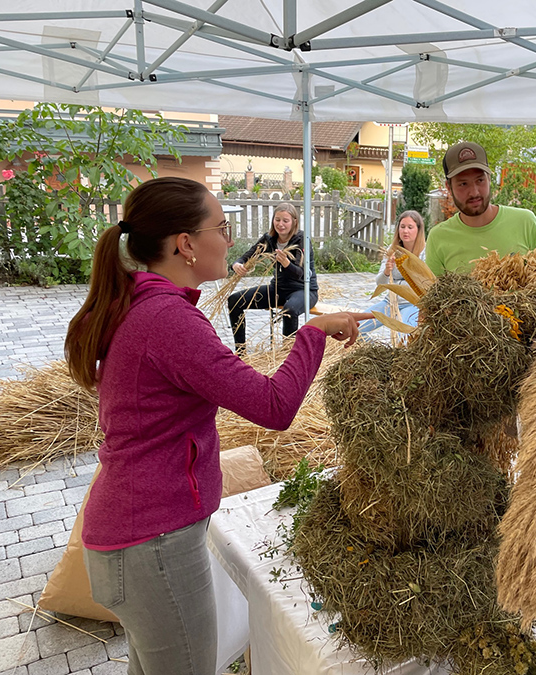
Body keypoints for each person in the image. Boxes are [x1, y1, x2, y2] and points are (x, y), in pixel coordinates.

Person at [63, 177, 368, 675]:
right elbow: (274, 406)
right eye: (222, 227)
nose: (229, 240)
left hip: (135, 540)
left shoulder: (147, 307)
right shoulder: (168, 321)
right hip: (152, 544)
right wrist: (312, 332)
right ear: (185, 244)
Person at [425, 141, 536, 276]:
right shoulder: (439, 237)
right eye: (463, 184)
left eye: (480, 180)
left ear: (489, 179)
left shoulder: (525, 222)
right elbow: (432, 293)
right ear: (449, 187)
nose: (474, 192)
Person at [227, 203, 317, 351]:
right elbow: (247, 256)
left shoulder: (301, 239)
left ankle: (287, 356)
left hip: (304, 290)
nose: (280, 224)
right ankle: (240, 351)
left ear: (294, 222)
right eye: (277, 219)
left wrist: (287, 263)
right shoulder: (269, 239)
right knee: (235, 300)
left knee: (290, 310)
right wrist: (237, 264)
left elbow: (301, 274)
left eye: (285, 221)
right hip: (278, 289)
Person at [359, 210, 427, 334]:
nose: (405, 231)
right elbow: (380, 284)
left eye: (410, 227)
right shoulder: (392, 250)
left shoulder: (425, 253)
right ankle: (377, 352)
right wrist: (386, 271)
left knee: (404, 337)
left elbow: (426, 284)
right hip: (390, 302)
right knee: (357, 328)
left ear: (418, 230)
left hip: (412, 304)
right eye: (402, 227)